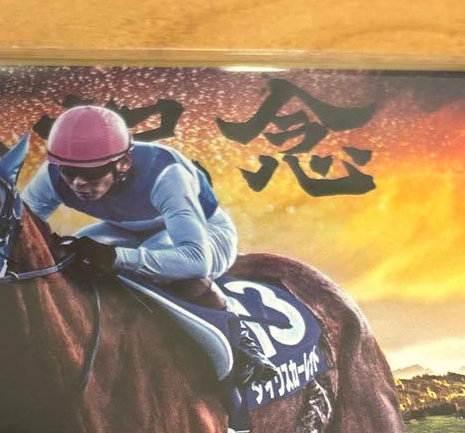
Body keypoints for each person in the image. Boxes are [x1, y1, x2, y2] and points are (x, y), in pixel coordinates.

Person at [21, 105, 278, 387]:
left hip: (206, 233)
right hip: (126, 230)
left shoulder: (167, 174)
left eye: (92, 173)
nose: (77, 183)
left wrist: (116, 258)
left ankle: (242, 340)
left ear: (122, 163)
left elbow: (196, 259)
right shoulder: (53, 174)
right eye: (69, 172)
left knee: (161, 265)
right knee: (70, 260)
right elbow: (17, 229)